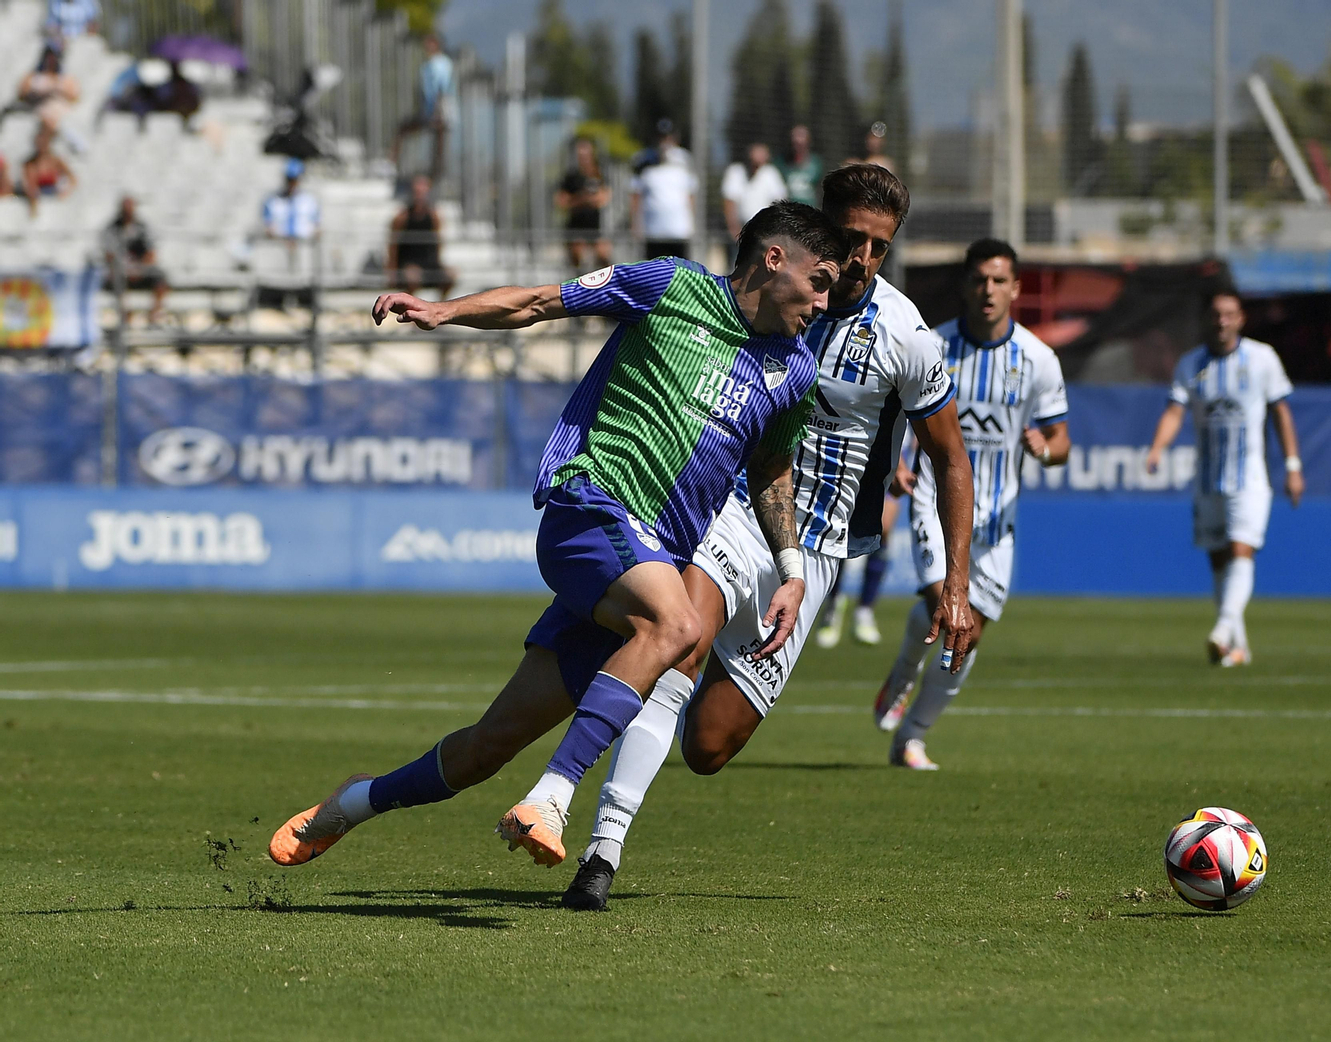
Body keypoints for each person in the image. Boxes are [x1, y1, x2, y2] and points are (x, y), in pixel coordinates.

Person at [268, 202, 849, 874]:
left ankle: (350, 805)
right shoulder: (672, 286)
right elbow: (542, 303)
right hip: (591, 507)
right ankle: (553, 796)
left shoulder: (795, 371)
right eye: (822, 280)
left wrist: (792, 569)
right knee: (680, 626)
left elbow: (773, 470)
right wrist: (444, 311)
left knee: (486, 747)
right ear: (774, 259)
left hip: (646, 561)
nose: (825, 301)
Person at [549, 164, 977, 911]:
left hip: (816, 552)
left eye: (879, 246)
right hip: (736, 515)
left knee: (709, 746)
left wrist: (956, 585)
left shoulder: (906, 335)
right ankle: (599, 851)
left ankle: (634, 709)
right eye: (850, 239)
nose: (862, 259)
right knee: (677, 642)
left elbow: (950, 457)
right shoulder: (763, 301)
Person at [873, 238, 1071, 770]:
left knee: (970, 631)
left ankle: (911, 733)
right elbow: (891, 412)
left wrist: (1046, 449)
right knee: (947, 609)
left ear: (1016, 288)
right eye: (980, 279)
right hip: (934, 501)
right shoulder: (931, 346)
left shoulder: (1037, 360)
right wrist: (893, 460)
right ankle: (906, 693)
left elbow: (1062, 440)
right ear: (966, 285)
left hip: (997, 519)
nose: (988, 290)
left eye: (999, 280)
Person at [1145, 285, 1303, 667]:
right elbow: (1174, 411)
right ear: (1207, 319)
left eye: (1229, 314)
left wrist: (1294, 465)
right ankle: (1238, 646)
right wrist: (1157, 447)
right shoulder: (1192, 365)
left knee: (1241, 548)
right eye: (1216, 314)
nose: (1222, 321)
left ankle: (1222, 627)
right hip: (1208, 478)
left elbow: (1281, 413)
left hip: (1248, 478)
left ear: (1241, 319)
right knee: (1218, 559)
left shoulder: (1262, 359)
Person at [812, 453, 913, 647]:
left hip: (896, 452)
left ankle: (865, 610)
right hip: (861, 451)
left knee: (884, 528)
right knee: (843, 528)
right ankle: (833, 605)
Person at [390, 34, 454, 184]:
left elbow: (441, 86)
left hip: (438, 107)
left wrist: (438, 109)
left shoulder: (440, 63)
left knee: (438, 137)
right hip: (430, 108)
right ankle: (435, 171)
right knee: (432, 137)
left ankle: (437, 172)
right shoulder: (431, 64)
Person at [630, 120, 698, 261]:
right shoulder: (642, 161)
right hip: (654, 232)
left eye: (667, 137)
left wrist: (692, 223)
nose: (664, 142)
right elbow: (636, 195)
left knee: (680, 272)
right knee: (654, 273)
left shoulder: (684, 160)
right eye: (661, 137)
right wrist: (636, 224)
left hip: (679, 231)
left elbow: (690, 194)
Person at [387, 174, 456, 297]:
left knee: (451, 275)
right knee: (412, 277)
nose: (420, 196)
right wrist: (392, 270)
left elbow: (438, 241)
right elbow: (393, 246)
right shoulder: (402, 217)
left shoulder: (434, 216)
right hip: (409, 262)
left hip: (429, 262)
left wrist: (438, 263)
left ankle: (441, 306)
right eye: (417, 192)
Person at [102, 195, 168, 320]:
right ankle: (125, 315)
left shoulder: (142, 228)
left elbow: (151, 253)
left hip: (141, 269)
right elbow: (109, 255)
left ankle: (154, 314)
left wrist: (139, 268)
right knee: (115, 278)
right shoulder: (112, 229)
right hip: (121, 270)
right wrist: (126, 268)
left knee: (161, 278)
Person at [721, 141, 787, 258]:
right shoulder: (736, 172)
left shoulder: (770, 174)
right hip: (740, 230)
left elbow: (779, 203)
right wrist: (734, 230)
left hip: (763, 232)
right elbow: (729, 203)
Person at [556, 136, 612, 270]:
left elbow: (602, 199)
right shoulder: (570, 177)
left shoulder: (600, 175)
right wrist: (583, 199)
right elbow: (562, 202)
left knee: (604, 258)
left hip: (596, 227)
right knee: (577, 261)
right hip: (576, 228)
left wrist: (580, 199)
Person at [19, 124, 74, 217]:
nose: (42, 144)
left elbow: (73, 179)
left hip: (55, 196)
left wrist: (65, 192)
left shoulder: (56, 161)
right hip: (40, 197)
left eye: (45, 141)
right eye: (40, 141)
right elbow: (30, 187)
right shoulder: (30, 164)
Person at [261, 159, 320, 243]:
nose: (292, 183)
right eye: (289, 179)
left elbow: (317, 226)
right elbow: (266, 226)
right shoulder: (272, 201)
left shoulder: (310, 201)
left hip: (304, 246)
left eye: (295, 179)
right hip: (278, 245)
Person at [781, 124, 822, 206]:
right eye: (795, 143)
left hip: (810, 209)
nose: (798, 145)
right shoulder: (782, 163)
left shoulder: (816, 164)